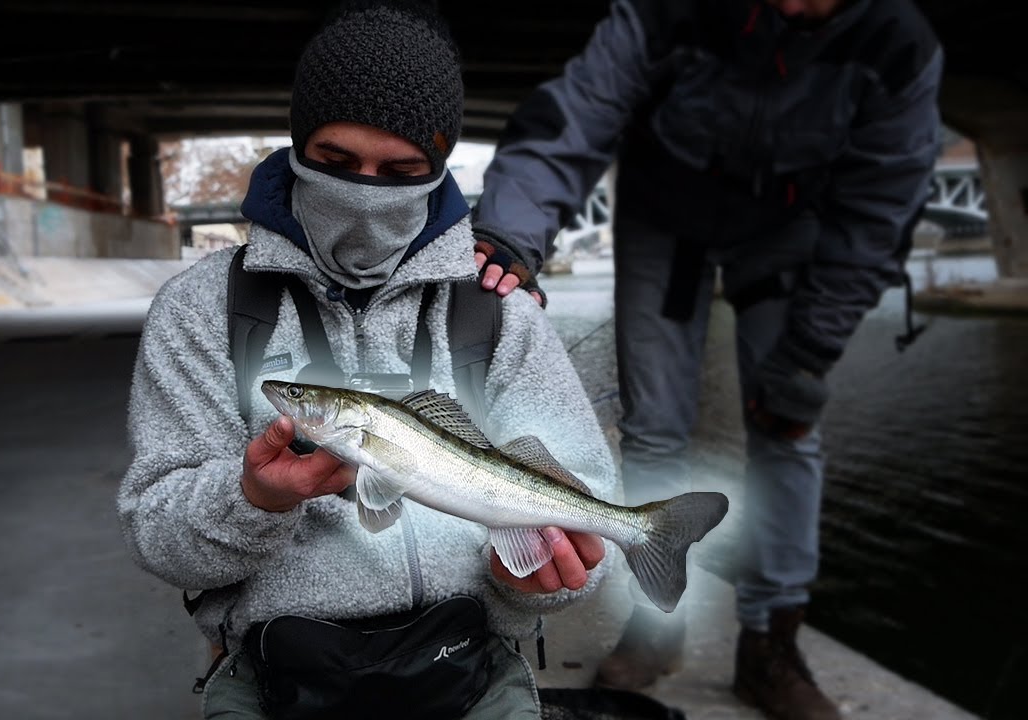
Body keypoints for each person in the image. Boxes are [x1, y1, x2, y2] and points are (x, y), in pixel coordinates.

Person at [117, 1, 619, 717]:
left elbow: (581, 522)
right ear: (297, 146)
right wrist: (257, 498)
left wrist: (541, 578)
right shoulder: (198, 309)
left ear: (439, 166)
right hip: (276, 680)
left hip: (471, 672)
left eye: (402, 169)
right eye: (335, 163)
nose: (363, 194)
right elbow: (157, 536)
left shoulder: (498, 307)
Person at [469, 1, 942, 719]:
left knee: (789, 425)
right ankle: (656, 624)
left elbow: (881, 210)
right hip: (668, 213)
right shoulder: (666, 13)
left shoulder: (899, 44)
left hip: (792, 224)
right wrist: (508, 236)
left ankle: (771, 644)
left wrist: (808, 357)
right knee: (655, 424)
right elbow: (576, 113)